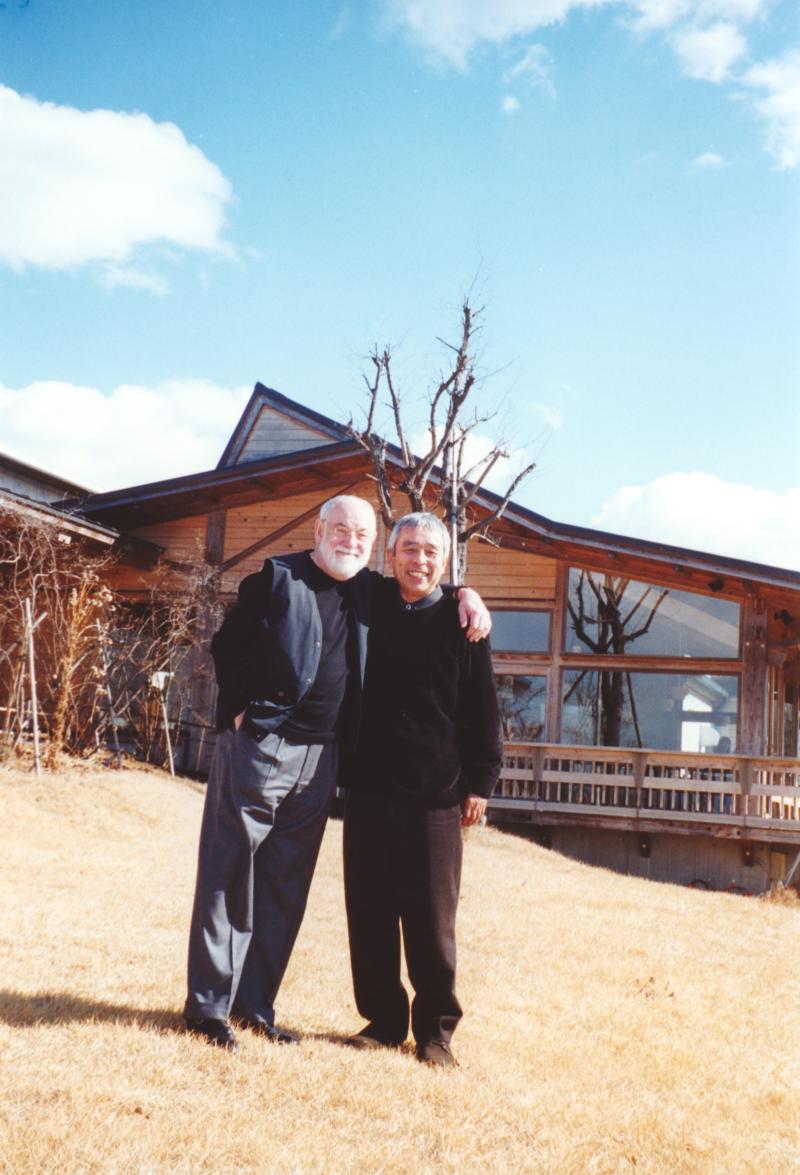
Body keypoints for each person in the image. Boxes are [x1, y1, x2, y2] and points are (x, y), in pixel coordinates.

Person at [183, 495, 489, 1052]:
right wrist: (235, 707)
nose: (351, 541)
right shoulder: (280, 577)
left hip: (325, 762)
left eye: (362, 535)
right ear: (320, 529)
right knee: (230, 873)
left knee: (285, 886)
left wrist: (467, 594)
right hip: (263, 747)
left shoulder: (367, 590)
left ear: (375, 548)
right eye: (341, 529)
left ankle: (255, 1005)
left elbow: (433, 595)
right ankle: (209, 1008)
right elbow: (227, 645)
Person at [342, 512, 502, 1068]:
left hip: (436, 796)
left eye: (432, 552)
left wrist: (481, 781)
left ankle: (435, 1033)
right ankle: (383, 1021)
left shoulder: (463, 625)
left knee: (433, 922)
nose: (420, 560)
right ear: (391, 556)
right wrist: (469, 590)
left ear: (446, 561)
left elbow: (485, 712)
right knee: (370, 915)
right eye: (409, 549)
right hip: (367, 791)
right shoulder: (371, 604)